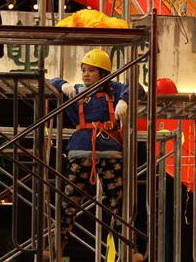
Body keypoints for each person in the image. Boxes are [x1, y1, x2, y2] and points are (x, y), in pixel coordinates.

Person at [47, 49, 145, 261]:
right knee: (68, 202)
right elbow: (50, 82)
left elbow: (138, 88)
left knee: (119, 204)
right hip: (81, 151)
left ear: (103, 73)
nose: (85, 74)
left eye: (91, 70)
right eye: (84, 70)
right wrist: (63, 85)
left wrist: (124, 100)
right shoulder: (76, 90)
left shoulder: (114, 90)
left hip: (109, 152)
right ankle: (56, 246)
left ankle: (129, 248)